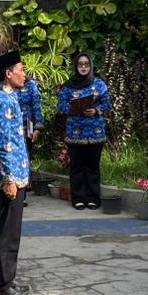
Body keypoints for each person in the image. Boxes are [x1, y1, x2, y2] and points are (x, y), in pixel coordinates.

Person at [0, 50, 34, 295]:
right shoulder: (3, 101)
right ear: (8, 74)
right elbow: (4, 143)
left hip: (17, 173)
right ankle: (3, 285)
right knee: (7, 232)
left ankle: (8, 280)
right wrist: (9, 179)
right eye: (21, 70)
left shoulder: (10, 98)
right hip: (10, 177)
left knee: (11, 231)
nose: (24, 75)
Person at [56, 52, 111, 210]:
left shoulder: (99, 84)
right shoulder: (68, 86)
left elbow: (107, 103)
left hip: (95, 132)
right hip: (75, 132)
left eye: (86, 64)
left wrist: (96, 110)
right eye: (80, 64)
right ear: (76, 66)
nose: (83, 67)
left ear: (91, 66)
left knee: (92, 167)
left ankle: (93, 198)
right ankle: (78, 198)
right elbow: (61, 105)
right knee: (77, 167)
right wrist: (74, 109)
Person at [16, 72, 43, 153]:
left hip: (29, 121)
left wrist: (38, 127)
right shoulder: (11, 85)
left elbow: (36, 105)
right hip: (15, 121)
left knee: (27, 149)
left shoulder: (31, 84)